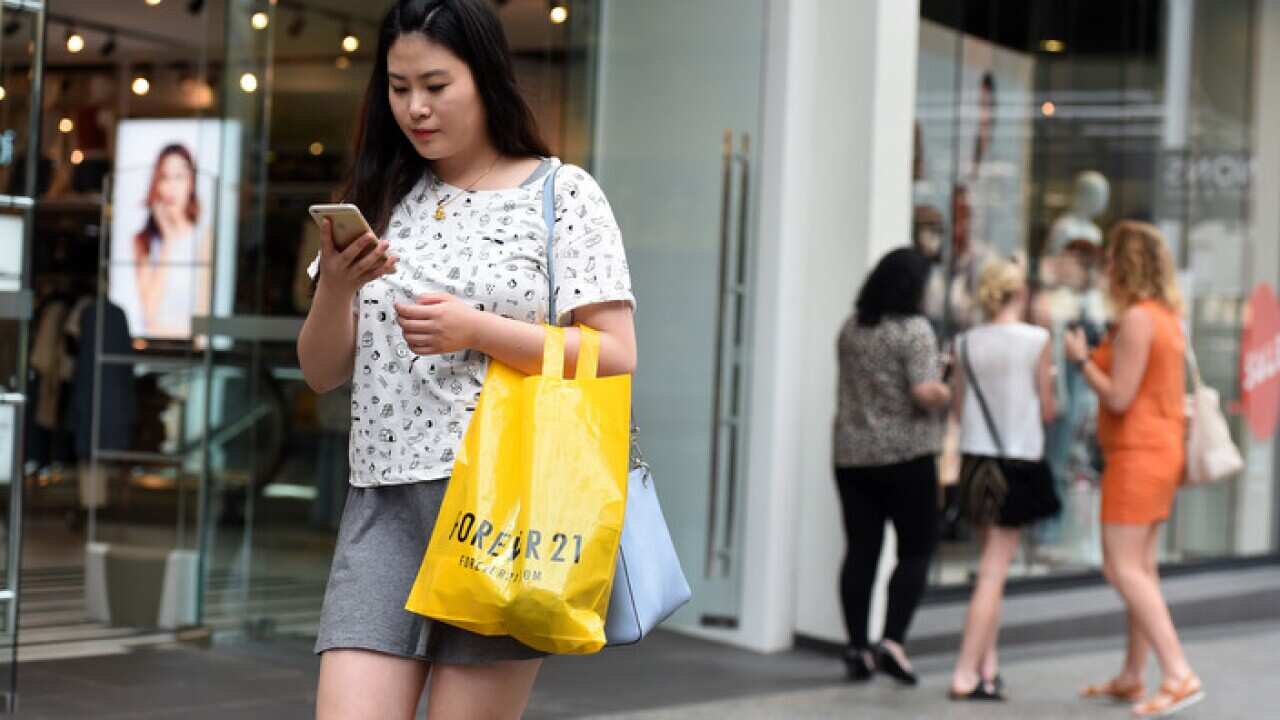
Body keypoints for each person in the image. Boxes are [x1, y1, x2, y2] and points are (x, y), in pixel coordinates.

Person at [297, 1, 636, 718]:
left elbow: (613, 353)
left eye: (435, 85)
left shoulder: (561, 194)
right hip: (383, 507)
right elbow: (322, 371)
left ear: (485, 78)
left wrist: (477, 330)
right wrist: (334, 286)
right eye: (398, 87)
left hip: (506, 510)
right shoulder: (381, 197)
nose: (415, 108)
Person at [1065, 221, 1203, 718]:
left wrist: (1082, 362)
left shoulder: (1140, 320)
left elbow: (1120, 396)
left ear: (1122, 266)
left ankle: (1178, 673)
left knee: (1121, 567)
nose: (1104, 272)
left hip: (1136, 453)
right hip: (1158, 450)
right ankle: (1132, 674)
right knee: (1141, 569)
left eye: (1109, 262)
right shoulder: (1167, 317)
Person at [832, 247, 950, 685]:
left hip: (852, 456)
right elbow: (924, 393)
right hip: (906, 457)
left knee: (860, 551)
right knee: (916, 549)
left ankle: (856, 647)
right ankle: (893, 641)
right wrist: (947, 384)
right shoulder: (914, 331)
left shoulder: (852, 328)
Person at [947, 258, 1059, 701]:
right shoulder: (1037, 340)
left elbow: (957, 409)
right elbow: (1048, 409)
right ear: (1020, 294)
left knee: (988, 568)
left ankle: (987, 667)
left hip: (976, 461)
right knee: (994, 573)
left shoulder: (966, 342)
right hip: (1017, 463)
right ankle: (963, 672)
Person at [132, 143, 210, 337]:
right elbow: (148, 314)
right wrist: (167, 241)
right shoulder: (144, 240)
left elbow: (205, 313)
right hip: (152, 349)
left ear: (191, 182)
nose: (171, 187)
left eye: (179, 177)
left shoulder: (203, 237)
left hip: (192, 351)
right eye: (164, 177)